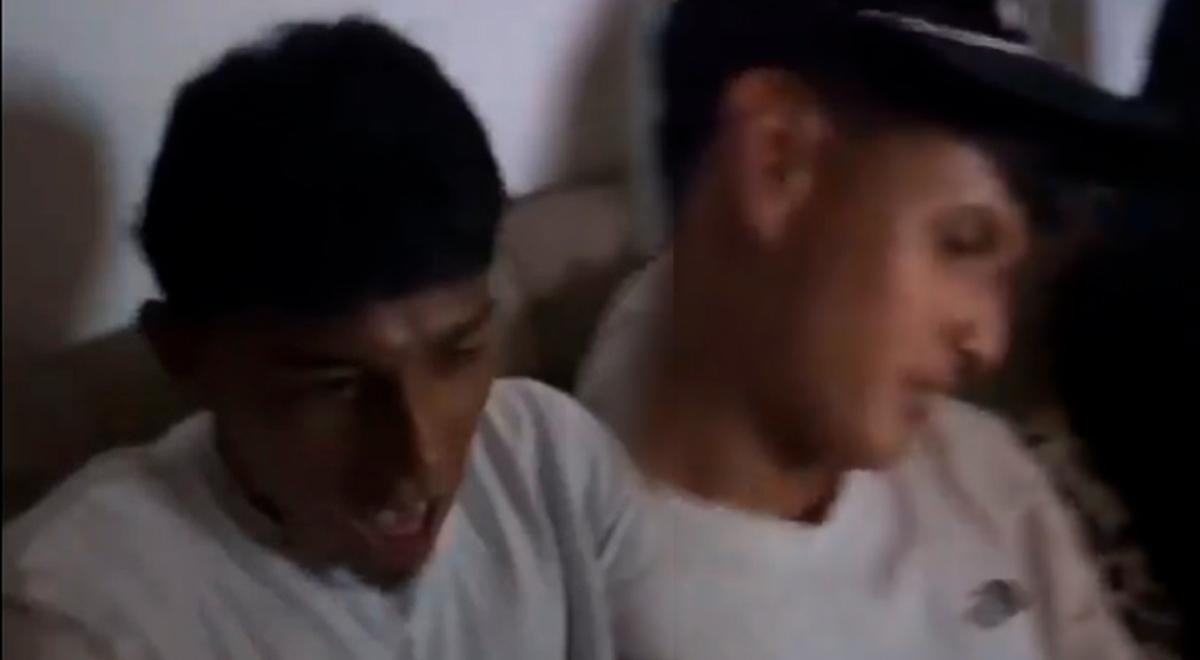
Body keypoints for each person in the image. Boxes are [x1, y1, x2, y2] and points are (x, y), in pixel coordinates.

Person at [4, 19, 648, 660]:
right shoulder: (79, 620)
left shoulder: (552, 460)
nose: (421, 462)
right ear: (184, 356)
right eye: (336, 387)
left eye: (459, 353)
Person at [579, 1, 1174, 658]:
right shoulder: (562, 604)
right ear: (776, 158)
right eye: (961, 241)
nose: (989, 342)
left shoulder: (982, 474)